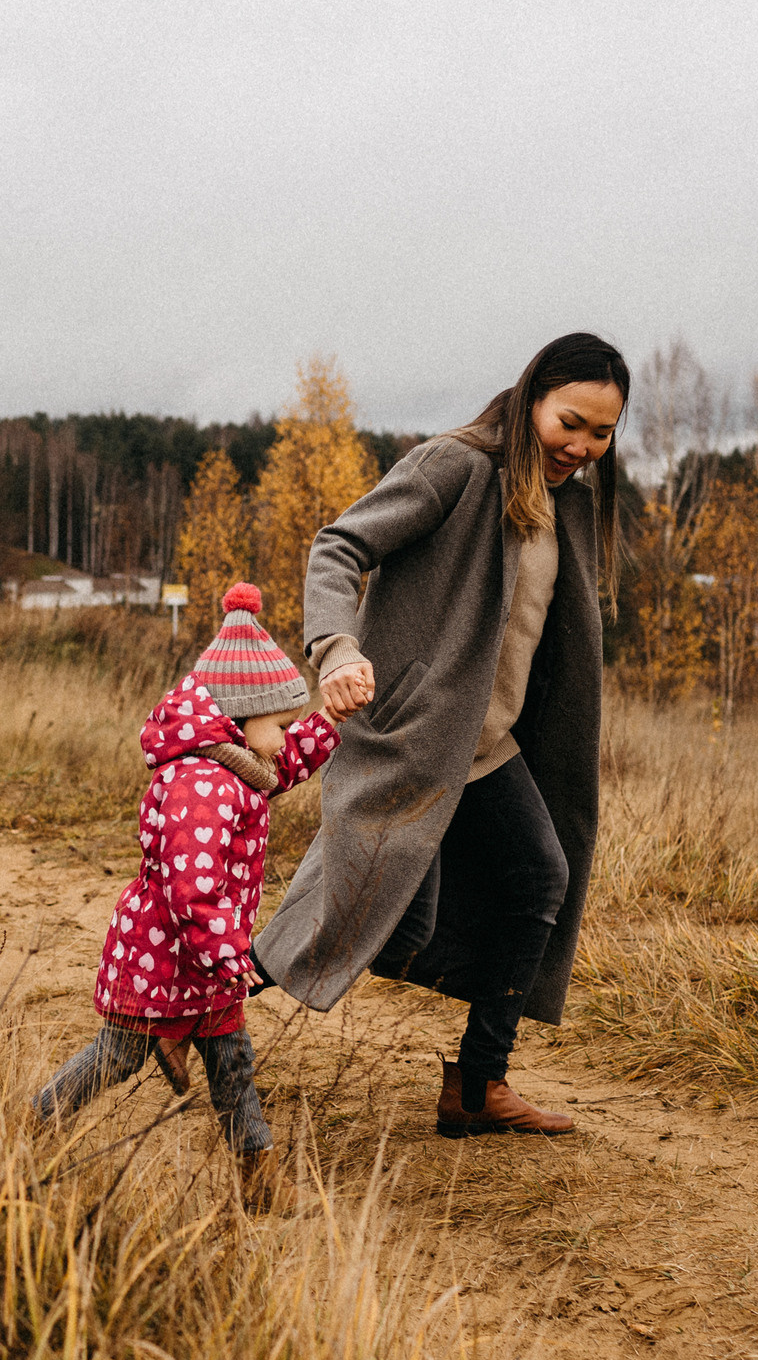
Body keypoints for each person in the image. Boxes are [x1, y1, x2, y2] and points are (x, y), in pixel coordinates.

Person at [257, 332, 626, 1139]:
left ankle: (478, 1086)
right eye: (570, 422)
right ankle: (196, 997)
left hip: (488, 746)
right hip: (418, 738)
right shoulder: (455, 467)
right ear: (532, 398)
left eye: (602, 433)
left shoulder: (567, 505)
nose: (583, 446)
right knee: (361, 912)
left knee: (540, 877)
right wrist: (336, 647)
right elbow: (338, 545)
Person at [31, 583, 340, 1212]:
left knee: (233, 1064)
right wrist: (229, 951)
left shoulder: (234, 763)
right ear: (242, 718)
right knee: (118, 1055)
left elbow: (280, 767)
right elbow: (191, 888)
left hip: (201, 962)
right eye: (281, 725)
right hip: (165, 957)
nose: (285, 737)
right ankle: (37, 1123)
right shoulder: (201, 784)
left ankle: (258, 1180)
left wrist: (329, 722)